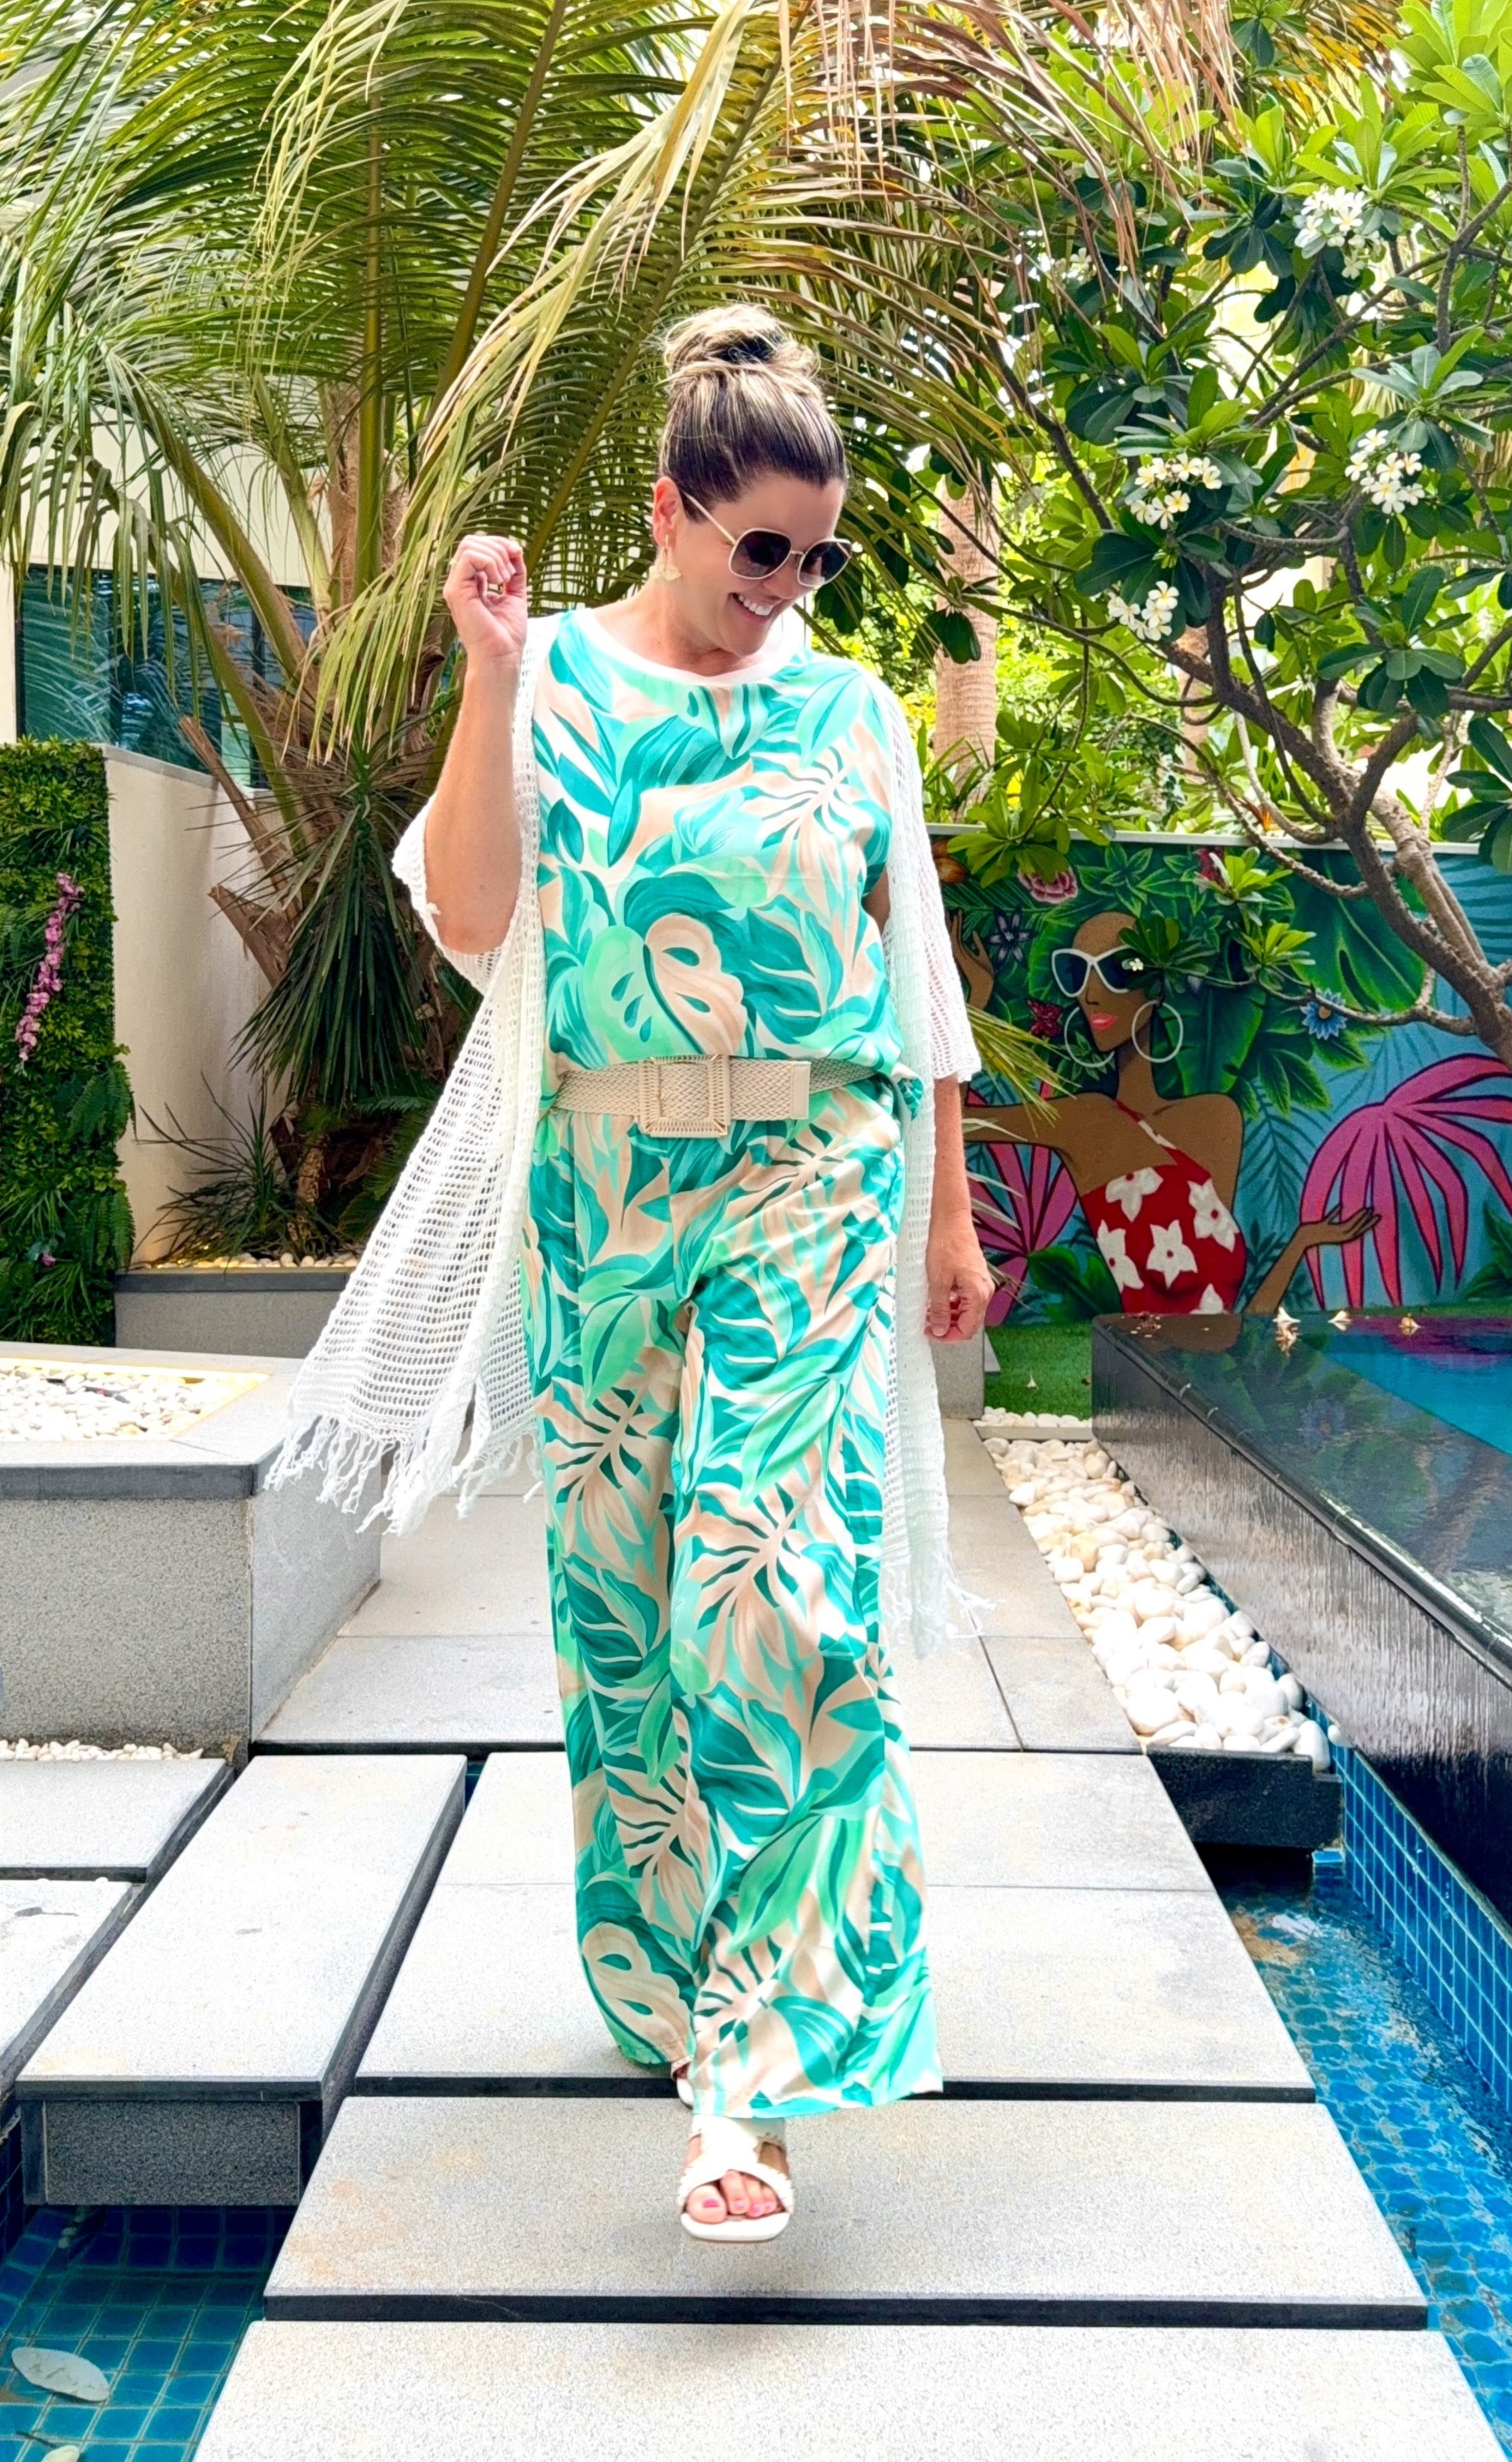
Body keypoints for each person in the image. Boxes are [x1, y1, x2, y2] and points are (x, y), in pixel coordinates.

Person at [275, 307, 993, 2242]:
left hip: (810, 1174)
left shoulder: (846, 713)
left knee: (775, 1589)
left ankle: (754, 2076)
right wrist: (489, 677)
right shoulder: (559, 683)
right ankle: (667, 1984)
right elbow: (476, 913)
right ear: (671, 512)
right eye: (760, 547)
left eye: (815, 557)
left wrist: (945, 1212)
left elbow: (915, 980)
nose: (787, 589)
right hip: (599, 1191)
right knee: (624, 1617)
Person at [965, 908, 1373, 1317]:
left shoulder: (1215, 1119)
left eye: (1119, 970)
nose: (1090, 994)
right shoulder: (1086, 1123)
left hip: (1216, 1357)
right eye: (1076, 972)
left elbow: (1231, 1319)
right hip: (1148, 1355)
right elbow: (959, 1123)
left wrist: (1302, 1241)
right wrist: (976, 1001)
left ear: (1157, 987)